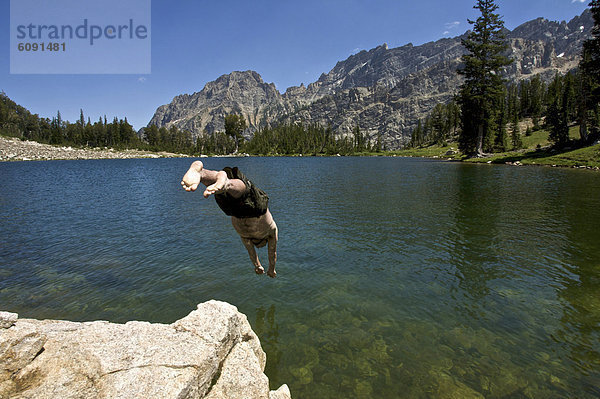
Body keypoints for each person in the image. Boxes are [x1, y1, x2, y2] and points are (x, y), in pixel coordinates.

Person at [181, 160, 278, 278]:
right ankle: (221, 182)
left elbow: (265, 253)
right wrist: (269, 269)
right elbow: (270, 253)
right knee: (239, 192)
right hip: (237, 210)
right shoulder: (265, 233)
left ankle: (202, 174)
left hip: (245, 211)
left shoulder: (249, 236)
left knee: (242, 190)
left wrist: (259, 265)